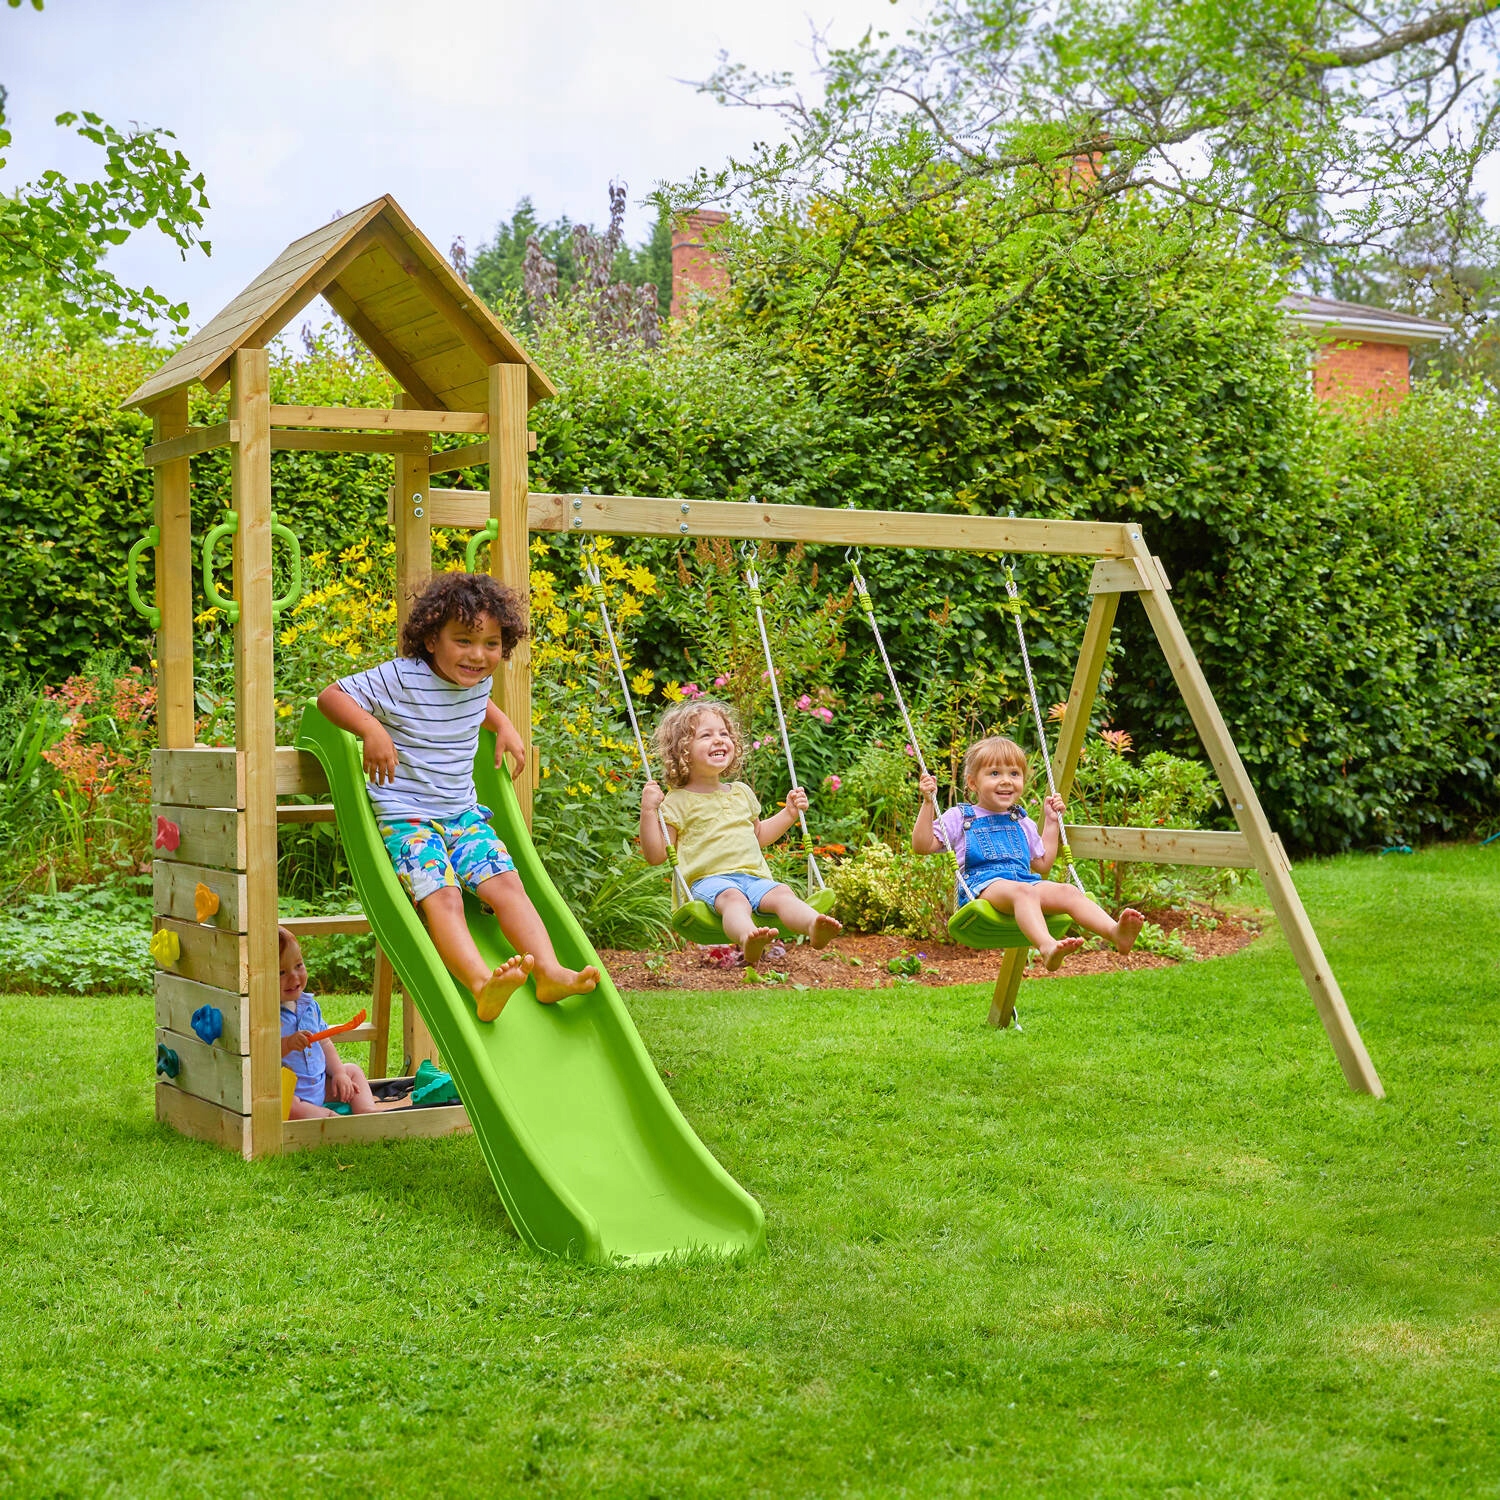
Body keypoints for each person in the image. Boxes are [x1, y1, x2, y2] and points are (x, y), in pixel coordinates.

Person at [316, 571, 598, 1022]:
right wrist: (371, 729)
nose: (477, 655)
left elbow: (475, 702)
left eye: (491, 644)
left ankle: (547, 972)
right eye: (463, 641)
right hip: (408, 819)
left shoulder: (476, 680)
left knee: (508, 885)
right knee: (443, 895)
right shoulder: (401, 677)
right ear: (431, 639)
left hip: (463, 816)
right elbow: (330, 697)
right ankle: (481, 984)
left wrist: (503, 725)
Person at [912, 735, 1144, 971]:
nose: (1006, 781)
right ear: (973, 783)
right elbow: (922, 845)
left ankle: (1116, 933)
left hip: (1024, 884)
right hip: (983, 887)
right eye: (995, 773)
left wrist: (1051, 822)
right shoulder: (960, 817)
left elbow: (1042, 864)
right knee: (1024, 892)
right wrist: (928, 803)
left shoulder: (1021, 821)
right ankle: (1047, 946)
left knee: (1069, 891)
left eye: (1014, 773)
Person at [640, 699, 842, 966]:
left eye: (724, 733)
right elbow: (655, 855)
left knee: (782, 893)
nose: (719, 740)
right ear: (683, 751)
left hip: (754, 879)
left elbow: (759, 836)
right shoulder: (676, 801)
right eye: (706, 735)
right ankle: (748, 938)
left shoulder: (741, 792)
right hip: (709, 883)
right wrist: (648, 811)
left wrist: (789, 813)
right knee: (734, 900)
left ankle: (813, 925)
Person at [278, 927, 397, 1118]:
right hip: (293, 1093)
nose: (294, 977)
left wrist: (339, 1073)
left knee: (352, 1071)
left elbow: (324, 1043)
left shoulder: (310, 1006)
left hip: (320, 1085)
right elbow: (263, 1053)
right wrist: (288, 1044)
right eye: (281, 972)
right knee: (286, 1104)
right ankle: (328, 1117)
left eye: (298, 965)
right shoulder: (266, 1015)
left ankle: (367, 1111)